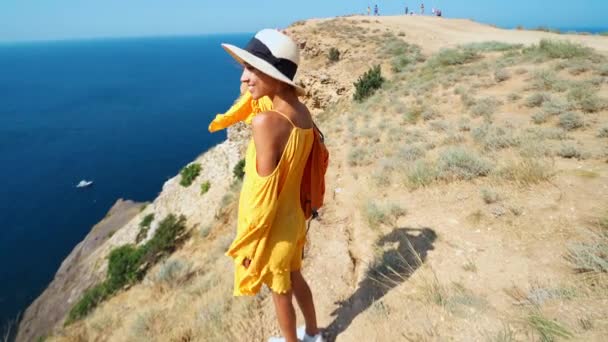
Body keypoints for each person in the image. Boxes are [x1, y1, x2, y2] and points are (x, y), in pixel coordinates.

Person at [221, 29, 324, 342]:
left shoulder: (266, 122)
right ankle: (315, 332)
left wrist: (251, 241)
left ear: (276, 76)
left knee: (281, 294)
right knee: (296, 277)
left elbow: (260, 195)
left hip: (275, 226)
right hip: (295, 219)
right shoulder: (302, 114)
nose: (244, 78)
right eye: (245, 68)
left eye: (253, 69)